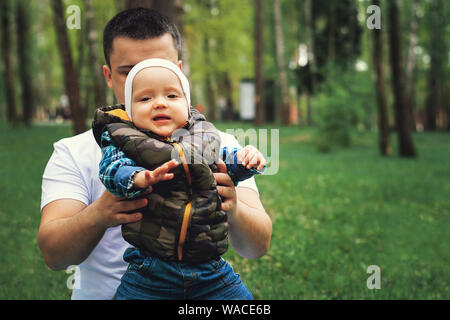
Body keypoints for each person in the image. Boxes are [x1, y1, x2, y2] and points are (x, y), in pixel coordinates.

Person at [38, 7, 272, 300]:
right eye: (130, 72)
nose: (149, 83)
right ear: (109, 76)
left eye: (159, 68)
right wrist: (100, 213)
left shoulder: (213, 142)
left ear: (179, 72)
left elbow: (258, 246)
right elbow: (54, 256)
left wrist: (234, 207)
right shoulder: (73, 152)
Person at [93, 58, 266, 299]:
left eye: (172, 96)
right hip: (150, 272)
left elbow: (223, 161)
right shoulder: (124, 141)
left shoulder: (200, 136)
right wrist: (138, 177)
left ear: (188, 106)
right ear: (129, 111)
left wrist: (246, 160)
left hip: (209, 269)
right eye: (145, 99)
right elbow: (111, 169)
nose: (159, 104)